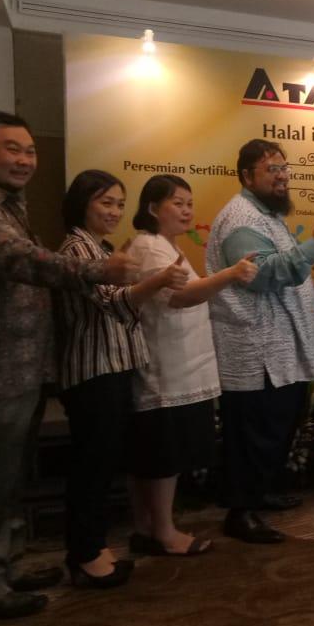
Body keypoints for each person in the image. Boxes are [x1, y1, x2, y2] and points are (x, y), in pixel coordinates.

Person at [0, 112, 138, 619]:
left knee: (8, 481)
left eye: (30, 150)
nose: (25, 160)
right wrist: (101, 269)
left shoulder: (5, 206)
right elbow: (21, 261)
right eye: (11, 149)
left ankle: (4, 569)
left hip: (19, 369)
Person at [56, 170, 189, 587]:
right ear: (82, 204)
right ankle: (85, 555)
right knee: (91, 466)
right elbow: (113, 303)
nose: (114, 211)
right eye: (105, 202)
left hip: (113, 368)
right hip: (93, 370)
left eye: (118, 203)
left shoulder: (103, 247)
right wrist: (158, 281)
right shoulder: (77, 247)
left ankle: (93, 548)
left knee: (102, 464)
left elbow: (123, 308)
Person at [207, 139, 314, 544]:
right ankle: (240, 512)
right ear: (247, 176)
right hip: (256, 352)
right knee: (253, 434)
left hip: (278, 352)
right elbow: (259, 275)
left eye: (284, 168)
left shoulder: (267, 215)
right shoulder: (240, 218)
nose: (282, 177)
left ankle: (260, 493)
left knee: (275, 428)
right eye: (272, 170)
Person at [126, 175, 257, 555]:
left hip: (180, 368)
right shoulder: (149, 247)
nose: (186, 211)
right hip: (167, 371)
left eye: (189, 203)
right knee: (162, 458)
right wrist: (230, 274)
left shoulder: (167, 246)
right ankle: (163, 534)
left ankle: (148, 528)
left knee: (161, 456)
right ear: (153, 208)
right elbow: (179, 297)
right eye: (177, 203)